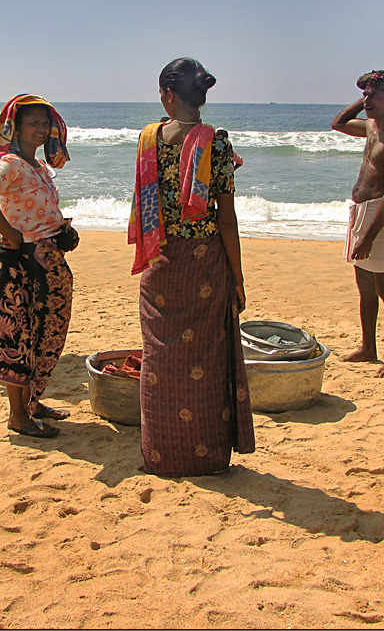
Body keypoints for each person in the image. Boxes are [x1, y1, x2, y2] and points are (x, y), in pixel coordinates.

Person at [129, 57, 255, 476]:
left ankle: (161, 454)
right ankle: (206, 456)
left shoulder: (149, 140)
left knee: (159, 361)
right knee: (208, 359)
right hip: (204, 262)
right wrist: (237, 278)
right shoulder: (216, 144)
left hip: (161, 261)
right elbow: (226, 217)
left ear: (167, 95)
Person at [0, 95, 78, 438]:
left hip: (46, 259)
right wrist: (10, 234)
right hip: (21, 264)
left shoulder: (38, 167)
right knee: (19, 338)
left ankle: (33, 402)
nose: (41, 130)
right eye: (34, 124)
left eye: (45, 123)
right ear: (16, 128)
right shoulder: (10, 163)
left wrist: (63, 232)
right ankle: (18, 416)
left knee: (44, 334)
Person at [331, 71, 384, 377]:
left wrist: (368, 237)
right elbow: (338, 123)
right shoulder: (372, 126)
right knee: (364, 286)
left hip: (382, 216)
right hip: (361, 211)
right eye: (364, 95)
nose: (367, 100)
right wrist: (366, 97)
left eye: (373, 95)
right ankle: (369, 347)